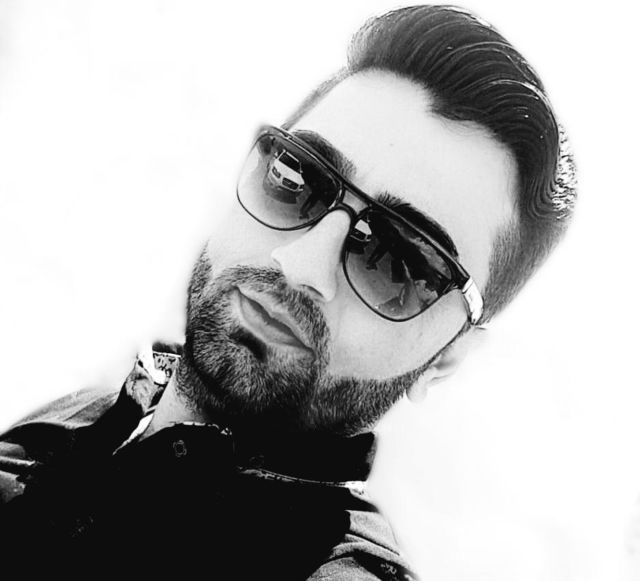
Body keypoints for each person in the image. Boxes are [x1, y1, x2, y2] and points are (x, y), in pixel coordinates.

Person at [0, 4, 576, 579]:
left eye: (400, 262)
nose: (301, 263)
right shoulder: (78, 419)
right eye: (296, 179)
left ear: (445, 357)